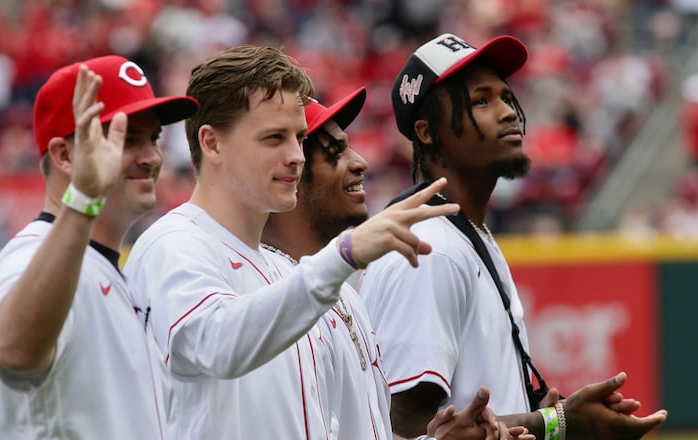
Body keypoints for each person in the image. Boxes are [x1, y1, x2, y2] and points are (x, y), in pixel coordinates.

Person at [123, 44, 460, 439]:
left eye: (298, 137)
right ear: (212, 143)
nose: (296, 155)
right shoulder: (172, 243)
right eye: (273, 138)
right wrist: (342, 256)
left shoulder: (287, 273)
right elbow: (218, 344)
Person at [359, 33, 669, 439]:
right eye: (481, 101)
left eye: (505, 97)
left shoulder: (467, 234)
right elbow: (405, 426)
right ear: (428, 131)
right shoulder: (428, 248)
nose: (506, 112)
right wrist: (560, 423)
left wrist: (531, 411)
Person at [261, 87, 535, 440]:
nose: (360, 162)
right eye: (336, 151)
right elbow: (404, 418)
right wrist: (556, 421)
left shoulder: (345, 298)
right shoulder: (263, 295)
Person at [0, 55, 198, 438]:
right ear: (66, 155)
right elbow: (16, 352)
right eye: (124, 138)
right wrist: (84, 198)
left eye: (152, 138)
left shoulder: (109, 274)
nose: (152, 156)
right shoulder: (31, 256)